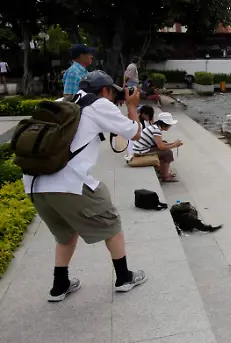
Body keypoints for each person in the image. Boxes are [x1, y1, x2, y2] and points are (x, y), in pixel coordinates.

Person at [22, 70, 147, 301]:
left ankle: (59, 286)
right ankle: (124, 278)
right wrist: (132, 106)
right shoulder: (100, 104)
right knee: (112, 223)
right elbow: (135, 133)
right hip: (69, 183)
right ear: (105, 91)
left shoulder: (62, 101)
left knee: (66, 234)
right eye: (112, 94)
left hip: (34, 183)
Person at [132, 111, 182, 182]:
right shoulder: (156, 130)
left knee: (165, 144)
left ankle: (163, 171)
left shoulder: (154, 127)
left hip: (141, 148)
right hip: (141, 151)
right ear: (165, 124)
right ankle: (165, 176)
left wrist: (173, 143)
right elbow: (161, 147)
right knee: (168, 153)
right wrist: (174, 145)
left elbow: (161, 144)